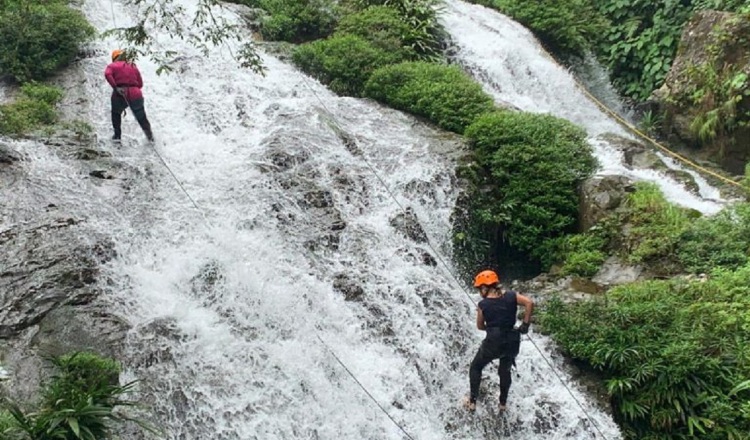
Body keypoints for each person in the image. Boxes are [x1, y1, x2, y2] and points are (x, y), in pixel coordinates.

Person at [464, 269, 534, 412]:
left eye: (479, 289)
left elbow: (479, 326)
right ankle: (502, 404)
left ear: (484, 287)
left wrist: (491, 328)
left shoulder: (483, 305)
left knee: (476, 367)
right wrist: (525, 325)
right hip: (512, 340)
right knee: (505, 370)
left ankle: (472, 402)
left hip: (494, 342)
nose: (479, 292)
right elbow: (529, 303)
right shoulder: (511, 296)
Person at [104, 49, 154, 142]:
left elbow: (107, 74)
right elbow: (140, 84)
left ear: (114, 58)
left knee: (116, 114)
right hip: (135, 93)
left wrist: (115, 87)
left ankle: (117, 136)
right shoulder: (133, 66)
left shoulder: (112, 66)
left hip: (120, 93)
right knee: (141, 117)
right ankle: (150, 138)